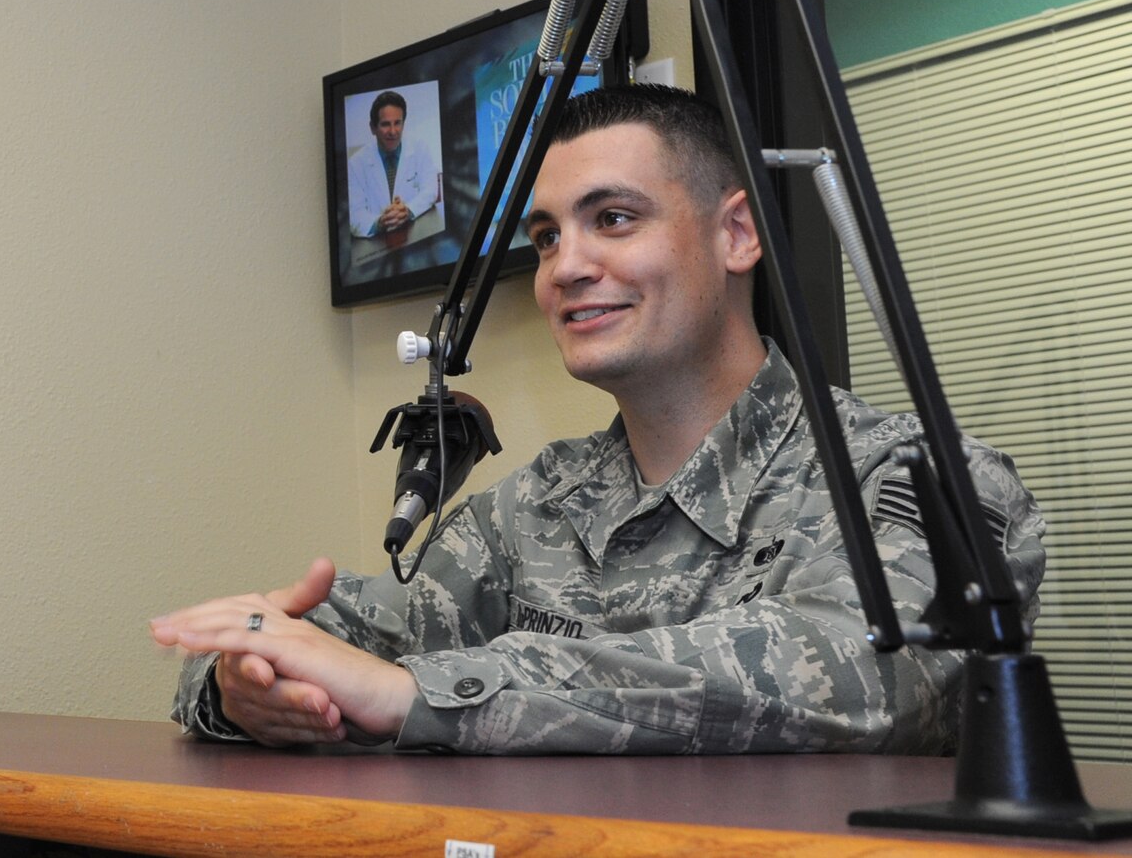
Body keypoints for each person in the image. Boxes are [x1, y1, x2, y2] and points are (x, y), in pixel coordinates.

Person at [153, 84, 1046, 754]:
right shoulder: (534, 508)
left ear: (737, 234)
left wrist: (427, 691)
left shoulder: (922, 479)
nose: (565, 267)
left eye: (612, 218)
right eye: (546, 238)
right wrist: (246, 681)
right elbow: (344, 635)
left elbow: (855, 669)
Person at [347, 90, 441, 239]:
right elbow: (354, 215)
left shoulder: (420, 149)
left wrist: (407, 210)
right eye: (385, 124)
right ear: (373, 127)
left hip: (415, 236)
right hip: (378, 245)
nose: (393, 131)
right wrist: (380, 222)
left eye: (397, 123)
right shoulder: (355, 164)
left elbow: (430, 190)